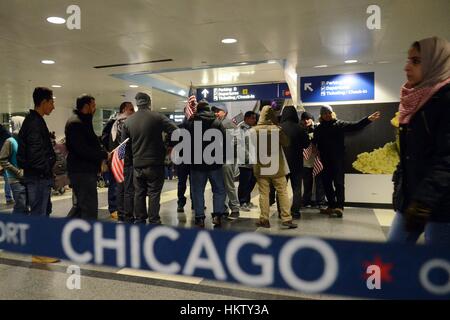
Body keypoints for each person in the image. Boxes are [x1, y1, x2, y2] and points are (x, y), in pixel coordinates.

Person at [388, 37, 450, 245]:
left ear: (435, 62)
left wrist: (424, 202)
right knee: (391, 257)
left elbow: (447, 158)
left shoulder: (445, 100)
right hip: (411, 201)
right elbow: (410, 154)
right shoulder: (415, 101)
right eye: (408, 60)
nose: (407, 67)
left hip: (441, 206)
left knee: (438, 268)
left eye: (416, 61)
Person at [313, 105, 380, 218]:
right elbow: (314, 143)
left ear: (332, 113)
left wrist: (368, 119)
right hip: (324, 161)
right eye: (324, 114)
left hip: (338, 160)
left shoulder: (339, 124)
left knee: (339, 183)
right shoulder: (318, 129)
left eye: (329, 113)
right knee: (326, 184)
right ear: (321, 116)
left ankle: (340, 207)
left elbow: (355, 126)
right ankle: (331, 206)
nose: (327, 115)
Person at [17, 87, 58, 264]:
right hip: (38, 177)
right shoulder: (34, 123)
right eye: (52, 102)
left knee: (42, 212)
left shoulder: (34, 120)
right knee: (39, 213)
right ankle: (39, 252)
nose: (53, 106)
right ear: (43, 102)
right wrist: (46, 170)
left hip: (38, 176)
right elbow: (35, 154)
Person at [123, 92, 178, 225]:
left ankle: (140, 220)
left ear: (137, 103)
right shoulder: (157, 117)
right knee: (154, 193)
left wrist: (130, 161)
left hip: (137, 164)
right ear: (149, 102)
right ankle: (154, 220)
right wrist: (168, 146)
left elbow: (125, 145)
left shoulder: (128, 121)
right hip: (155, 163)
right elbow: (176, 131)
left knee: (139, 193)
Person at [252, 105, 297, 229]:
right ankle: (286, 218)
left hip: (261, 166)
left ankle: (264, 218)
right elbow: (287, 143)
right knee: (282, 192)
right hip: (277, 167)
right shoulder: (277, 129)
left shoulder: (253, 130)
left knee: (264, 193)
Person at [65, 95, 109, 220]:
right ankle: (87, 234)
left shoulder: (82, 121)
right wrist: (103, 155)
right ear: (86, 106)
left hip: (84, 171)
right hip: (82, 173)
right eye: (93, 106)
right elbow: (82, 149)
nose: (95, 109)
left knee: (81, 206)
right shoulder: (76, 123)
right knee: (88, 208)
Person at [185, 100, 227, 228]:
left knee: (198, 190)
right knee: (219, 190)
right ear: (209, 110)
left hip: (197, 163)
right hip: (215, 162)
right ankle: (217, 216)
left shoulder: (191, 123)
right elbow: (224, 142)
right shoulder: (217, 122)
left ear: (198, 109)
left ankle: (199, 218)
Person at [212, 104, 243, 219]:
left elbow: (237, 140)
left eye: (218, 111)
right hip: (221, 158)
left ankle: (235, 208)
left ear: (225, 112)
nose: (216, 113)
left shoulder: (228, 123)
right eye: (215, 111)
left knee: (228, 184)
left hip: (228, 158)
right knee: (222, 185)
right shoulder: (218, 124)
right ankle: (224, 208)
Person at [280, 106, 310, 219]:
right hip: (297, 163)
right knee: (296, 188)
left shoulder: (278, 128)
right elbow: (306, 145)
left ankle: (282, 212)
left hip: (282, 163)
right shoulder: (300, 128)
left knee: (281, 189)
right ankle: (295, 212)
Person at [111, 102, 135, 223]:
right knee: (128, 189)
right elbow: (124, 143)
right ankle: (128, 215)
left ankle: (121, 214)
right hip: (126, 159)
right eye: (131, 109)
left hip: (118, 159)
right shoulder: (126, 123)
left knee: (120, 189)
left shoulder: (114, 122)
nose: (134, 112)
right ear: (125, 109)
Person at [0, 116, 27, 215]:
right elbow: (3, 160)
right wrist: (17, 172)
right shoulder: (10, 141)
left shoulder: (24, 140)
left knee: (24, 207)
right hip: (15, 180)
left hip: (26, 178)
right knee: (21, 206)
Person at [300, 112, 326, 208]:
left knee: (320, 183)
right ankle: (306, 201)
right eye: (304, 119)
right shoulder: (301, 130)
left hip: (318, 159)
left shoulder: (319, 128)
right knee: (307, 183)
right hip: (305, 161)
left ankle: (321, 202)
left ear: (312, 119)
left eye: (308, 119)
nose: (306, 121)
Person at [237, 111, 258, 210]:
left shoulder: (252, 129)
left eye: (255, 118)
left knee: (252, 181)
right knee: (244, 182)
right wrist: (248, 158)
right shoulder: (241, 129)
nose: (254, 120)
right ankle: (242, 202)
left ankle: (248, 200)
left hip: (253, 160)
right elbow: (240, 146)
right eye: (252, 118)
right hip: (245, 161)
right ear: (246, 118)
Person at [0, 124, 14, 205]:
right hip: (5, 157)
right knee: (7, 178)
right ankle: (8, 198)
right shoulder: (6, 134)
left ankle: (8, 197)